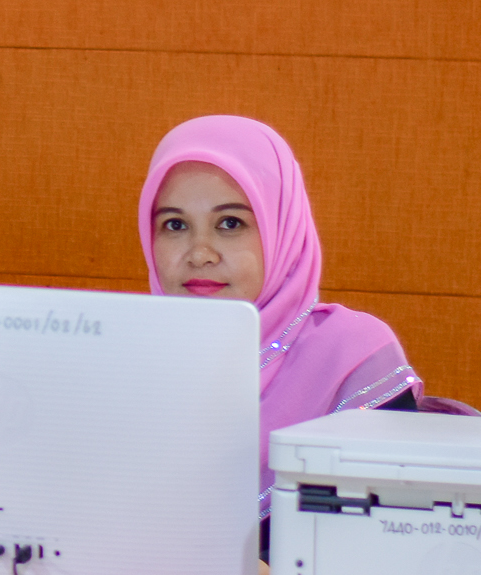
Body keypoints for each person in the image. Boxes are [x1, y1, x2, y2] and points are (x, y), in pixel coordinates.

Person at [139, 114, 425, 532]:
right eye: (175, 225)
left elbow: (391, 539)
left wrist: (265, 568)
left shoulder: (351, 359)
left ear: (282, 229)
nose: (200, 253)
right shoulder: (125, 361)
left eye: (230, 223)